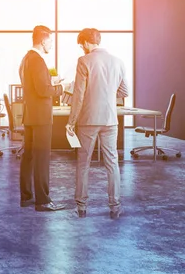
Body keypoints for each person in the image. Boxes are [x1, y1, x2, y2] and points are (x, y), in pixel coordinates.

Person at [66, 28, 129, 219]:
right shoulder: (118, 61)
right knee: (112, 162)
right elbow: (124, 91)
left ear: (85, 43)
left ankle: (82, 206)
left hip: (88, 120)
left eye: (81, 44)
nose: (81, 48)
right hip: (110, 119)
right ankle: (115, 206)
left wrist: (71, 122)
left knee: (83, 163)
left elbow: (78, 96)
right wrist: (107, 96)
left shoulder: (84, 61)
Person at [18, 25, 66, 211]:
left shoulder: (26, 59)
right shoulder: (38, 60)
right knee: (42, 159)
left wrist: (51, 81)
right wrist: (63, 88)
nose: (51, 45)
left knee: (29, 157)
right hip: (41, 117)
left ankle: (27, 197)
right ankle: (43, 201)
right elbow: (43, 90)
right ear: (43, 40)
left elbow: (35, 85)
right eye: (51, 41)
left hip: (31, 115)